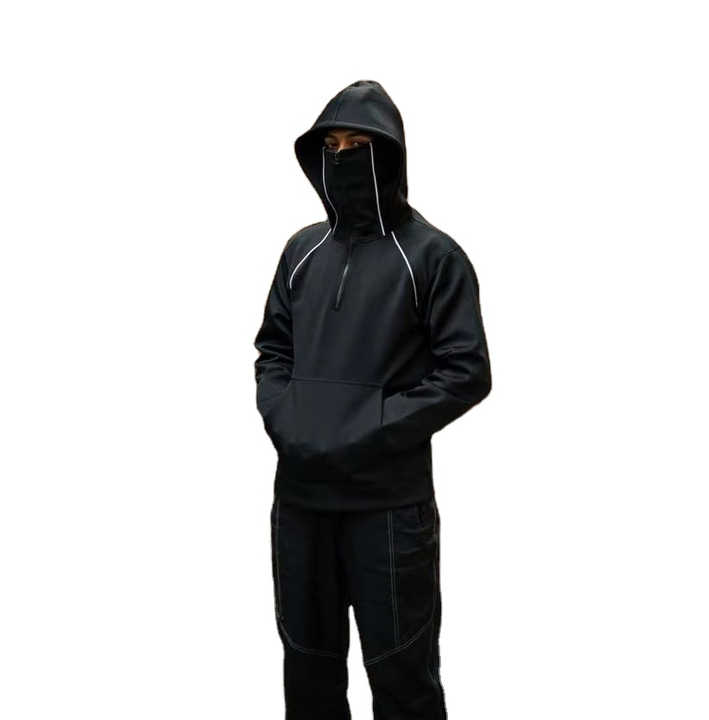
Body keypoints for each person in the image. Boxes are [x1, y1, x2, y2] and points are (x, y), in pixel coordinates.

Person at [253, 79, 492, 720]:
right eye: (331, 144)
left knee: (402, 679)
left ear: (389, 152)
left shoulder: (432, 256)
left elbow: (467, 371)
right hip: (300, 503)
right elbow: (273, 351)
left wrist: (371, 427)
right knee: (308, 674)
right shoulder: (301, 251)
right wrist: (289, 421)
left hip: (388, 509)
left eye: (358, 143)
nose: (343, 155)